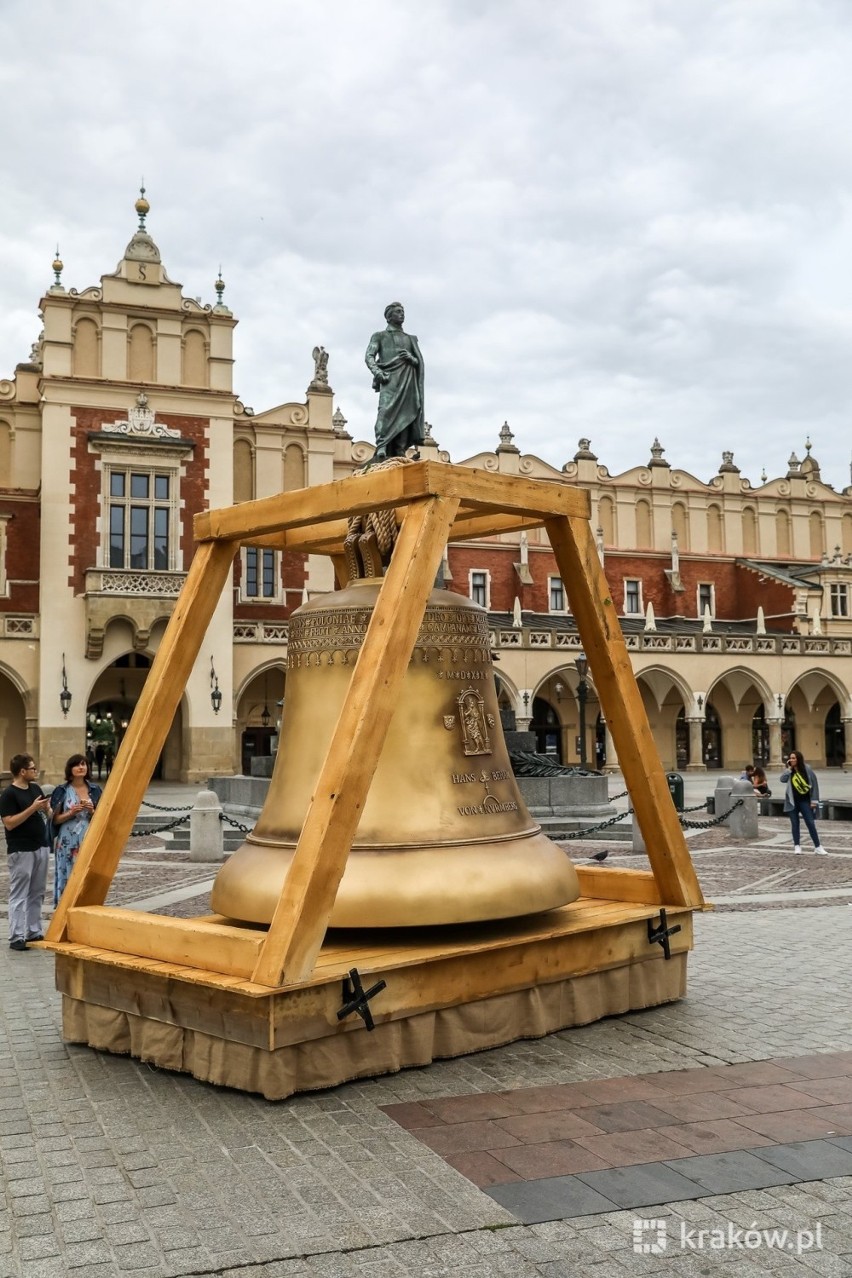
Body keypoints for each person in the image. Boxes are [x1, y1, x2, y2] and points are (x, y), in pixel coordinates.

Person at [0, 754, 51, 950]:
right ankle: (16, 936)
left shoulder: (36, 788)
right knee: (19, 893)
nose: (35, 771)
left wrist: (47, 809)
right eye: (32, 768)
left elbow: (48, 814)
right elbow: (10, 823)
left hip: (41, 845)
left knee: (37, 892)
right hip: (21, 849)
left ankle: (34, 931)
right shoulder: (9, 795)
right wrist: (32, 808)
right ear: (22, 771)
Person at [364, 302, 425, 461]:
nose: (402, 314)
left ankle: (399, 448)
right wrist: (377, 372)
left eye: (403, 311)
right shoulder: (380, 336)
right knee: (385, 411)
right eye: (398, 311)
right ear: (389, 316)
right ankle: (382, 444)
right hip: (389, 379)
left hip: (408, 380)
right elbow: (369, 356)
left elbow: (419, 363)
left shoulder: (410, 339)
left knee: (408, 412)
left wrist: (411, 358)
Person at [50, 753, 102, 905]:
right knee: (67, 870)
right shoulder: (62, 790)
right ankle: (65, 904)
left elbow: (103, 817)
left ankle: (86, 904)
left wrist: (92, 810)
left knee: (87, 871)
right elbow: (55, 820)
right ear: (70, 769)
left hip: (87, 834)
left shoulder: (95, 789)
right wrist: (71, 813)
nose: (81, 767)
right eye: (77, 765)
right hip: (67, 837)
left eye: (84, 764)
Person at [779, 750, 825, 855]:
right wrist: (789, 769)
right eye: (790, 758)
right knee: (795, 824)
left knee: (810, 823)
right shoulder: (790, 771)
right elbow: (782, 779)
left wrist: (814, 801)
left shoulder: (807, 769)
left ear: (798, 759)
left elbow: (814, 785)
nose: (792, 760)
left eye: (794, 758)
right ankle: (797, 846)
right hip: (793, 802)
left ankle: (818, 846)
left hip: (805, 801)